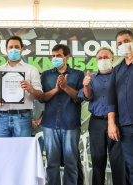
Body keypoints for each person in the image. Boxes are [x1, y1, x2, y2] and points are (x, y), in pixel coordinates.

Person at [78, 47, 126, 185]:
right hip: (97, 123)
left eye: (106, 57)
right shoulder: (90, 78)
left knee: (118, 161)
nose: (103, 60)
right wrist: (86, 85)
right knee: (98, 160)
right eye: (99, 58)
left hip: (116, 122)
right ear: (96, 61)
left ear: (112, 59)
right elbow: (87, 96)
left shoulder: (120, 76)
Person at [40, 44, 84, 185]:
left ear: (67, 57)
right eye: (53, 56)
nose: (55, 58)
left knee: (71, 163)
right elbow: (42, 98)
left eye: (58, 56)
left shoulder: (78, 74)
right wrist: (55, 89)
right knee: (52, 164)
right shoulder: (46, 75)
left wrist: (65, 87)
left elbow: (79, 97)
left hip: (70, 124)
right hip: (50, 125)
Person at [0, 36, 43, 137]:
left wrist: (30, 89)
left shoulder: (31, 69)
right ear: (6, 50)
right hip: (1, 116)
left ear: (22, 49)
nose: (14, 49)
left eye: (17, 47)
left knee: (22, 150)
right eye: (11, 47)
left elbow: (40, 95)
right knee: (1, 150)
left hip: (23, 117)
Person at [108, 30, 133, 185]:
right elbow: (111, 99)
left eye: (127, 41)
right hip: (125, 125)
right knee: (131, 166)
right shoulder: (117, 70)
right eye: (120, 43)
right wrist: (111, 123)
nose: (124, 45)